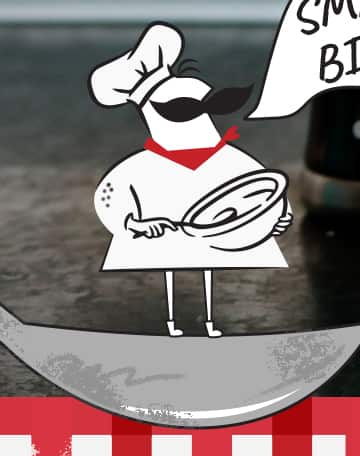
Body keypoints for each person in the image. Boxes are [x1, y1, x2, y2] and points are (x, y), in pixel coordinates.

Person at [88, 23, 291, 336]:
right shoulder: (143, 167)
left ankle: (209, 322)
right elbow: (109, 196)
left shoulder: (226, 158)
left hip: (227, 236)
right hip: (158, 236)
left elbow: (261, 185)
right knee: (167, 266)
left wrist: (281, 214)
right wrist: (133, 224)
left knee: (208, 268)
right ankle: (171, 323)